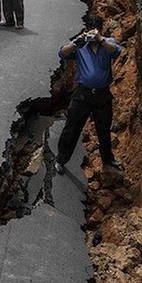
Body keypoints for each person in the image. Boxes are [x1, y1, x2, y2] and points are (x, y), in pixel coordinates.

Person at [54, 28, 123, 174]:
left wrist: (100, 40)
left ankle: (107, 159)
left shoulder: (107, 43)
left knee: (103, 129)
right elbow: (62, 53)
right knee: (71, 129)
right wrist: (76, 43)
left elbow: (117, 51)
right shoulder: (80, 46)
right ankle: (61, 159)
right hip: (82, 95)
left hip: (102, 95)